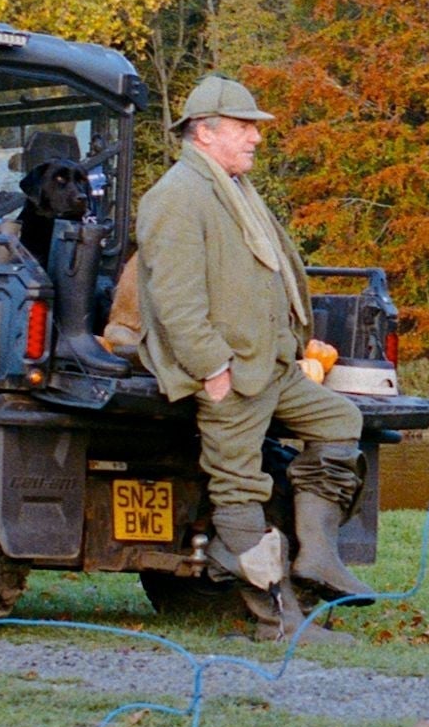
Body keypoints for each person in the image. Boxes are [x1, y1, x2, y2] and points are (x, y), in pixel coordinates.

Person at [134, 72, 366, 628]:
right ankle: (277, 621)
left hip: (272, 366)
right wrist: (212, 367)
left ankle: (318, 558)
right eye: (244, 127)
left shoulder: (234, 189)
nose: (256, 137)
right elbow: (175, 300)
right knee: (238, 486)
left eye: (254, 127)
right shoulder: (176, 196)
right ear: (203, 132)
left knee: (341, 421)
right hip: (230, 371)